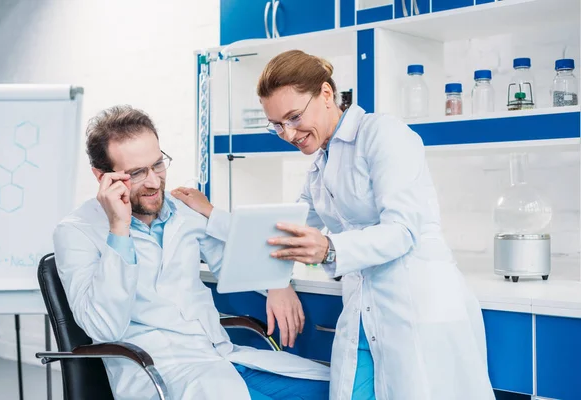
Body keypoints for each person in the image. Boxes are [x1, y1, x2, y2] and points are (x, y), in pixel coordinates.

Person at [177, 50, 496, 400]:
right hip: (363, 309)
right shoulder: (320, 166)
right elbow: (281, 231)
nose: (288, 133)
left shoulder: (382, 134)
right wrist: (212, 214)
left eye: (294, 117)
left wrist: (330, 249)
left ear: (327, 94)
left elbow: (404, 230)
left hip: (416, 307)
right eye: (277, 125)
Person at [52, 105, 330, 400]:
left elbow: (237, 258)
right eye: (136, 173)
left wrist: (277, 282)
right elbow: (104, 327)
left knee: (341, 389)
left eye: (158, 164)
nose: (154, 181)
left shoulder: (183, 209)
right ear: (101, 176)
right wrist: (118, 229)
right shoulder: (76, 232)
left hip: (223, 361)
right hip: (162, 374)